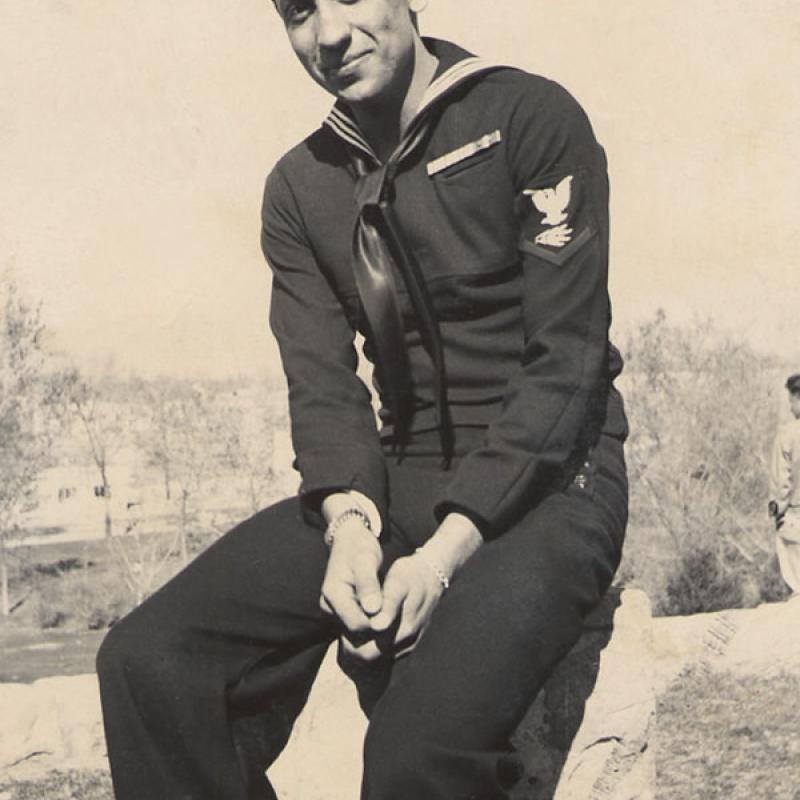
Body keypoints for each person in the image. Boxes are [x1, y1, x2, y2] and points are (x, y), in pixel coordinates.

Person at [96, 2, 629, 798]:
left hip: (554, 484)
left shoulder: (527, 115)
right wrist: (350, 525)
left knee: (415, 751)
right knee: (149, 662)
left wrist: (443, 560)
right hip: (395, 476)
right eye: (299, 11)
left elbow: (565, 367)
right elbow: (322, 386)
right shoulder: (298, 185)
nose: (330, 33)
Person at [769, 373, 800, 595]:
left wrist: (778, 509)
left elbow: (782, 483)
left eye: (792, 401)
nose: (790, 407)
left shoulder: (788, 434)